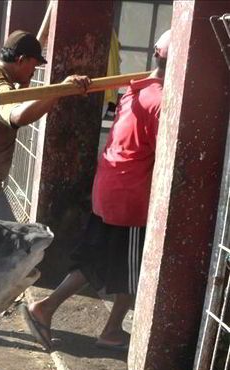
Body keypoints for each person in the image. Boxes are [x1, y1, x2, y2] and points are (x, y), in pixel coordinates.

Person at [21, 30, 171, 351]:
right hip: (132, 199)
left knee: (95, 259)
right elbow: (167, 156)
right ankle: (110, 329)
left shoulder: (135, 89)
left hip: (110, 188)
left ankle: (46, 309)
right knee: (130, 269)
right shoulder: (161, 102)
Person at [0, 30, 90, 231]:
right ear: (21, 60)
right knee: (14, 246)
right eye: (33, 65)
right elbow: (17, 115)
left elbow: (7, 102)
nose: (34, 70)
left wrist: (25, 85)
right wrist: (59, 90)